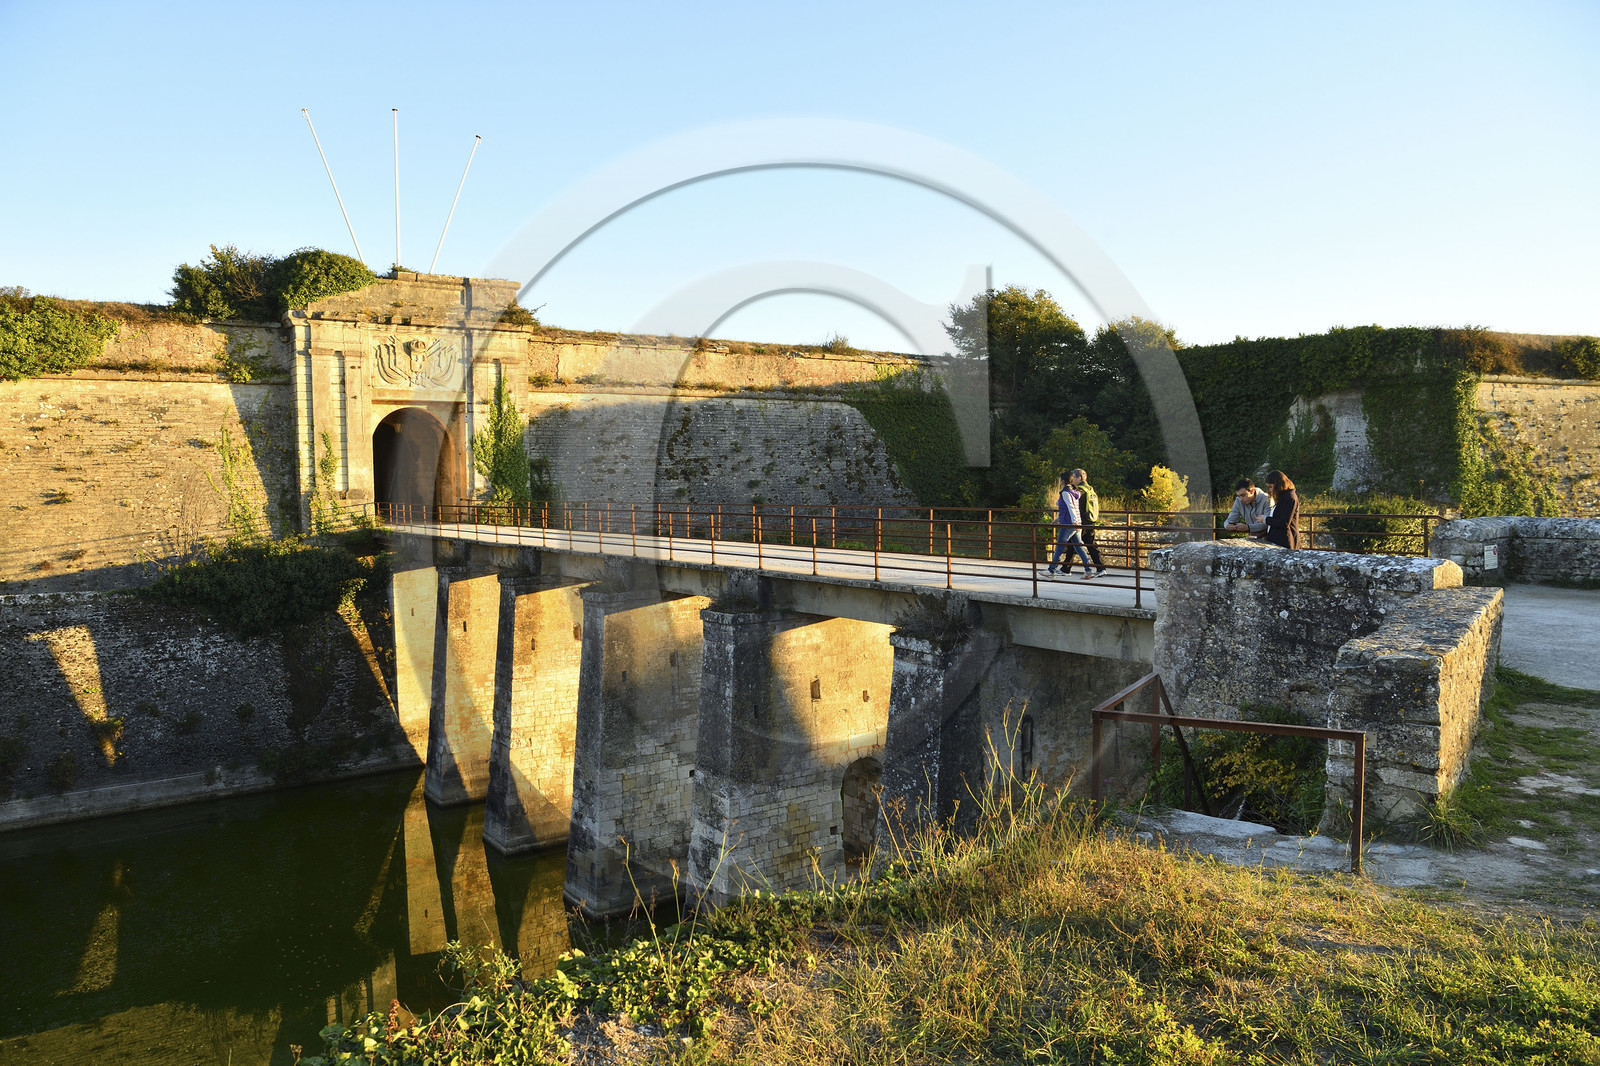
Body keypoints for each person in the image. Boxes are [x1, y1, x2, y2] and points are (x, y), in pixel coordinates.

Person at [1046, 472, 1094, 578]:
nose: (1058, 481)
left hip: (1069, 524)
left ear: (1063, 481)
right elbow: (1072, 508)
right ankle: (1088, 570)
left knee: (1059, 547)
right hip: (1075, 522)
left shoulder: (1065, 492)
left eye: (1059, 479)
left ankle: (1051, 570)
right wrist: (1058, 519)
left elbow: (1070, 507)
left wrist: (1073, 522)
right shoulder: (1074, 491)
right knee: (1079, 547)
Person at [1068, 468, 1108, 578]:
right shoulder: (1090, 489)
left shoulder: (1080, 490)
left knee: (1073, 544)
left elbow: (1076, 507)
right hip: (1090, 521)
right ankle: (1101, 568)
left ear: (1079, 478)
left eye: (1074, 477)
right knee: (1090, 545)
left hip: (1083, 522)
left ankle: (1066, 569)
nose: (1072, 480)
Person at [1260, 470, 1301, 549]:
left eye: (1271, 487)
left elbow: (1284, 523)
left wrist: (1265, 519)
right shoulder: (1286, 497)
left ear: (1278, 485)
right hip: (1282, 541)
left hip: (1285, 542)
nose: (1269, 490)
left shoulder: (1289, 498)